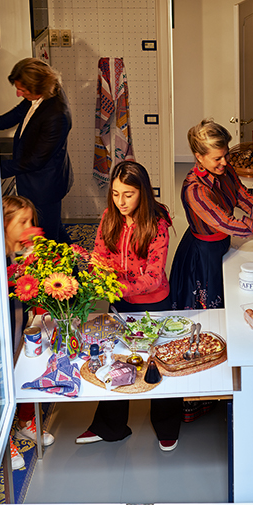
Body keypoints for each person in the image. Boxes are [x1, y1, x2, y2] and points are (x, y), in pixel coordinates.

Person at [75, 161, 183, 452]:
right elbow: (99, 254)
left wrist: (112, 284)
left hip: (154, 304)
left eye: (128, 194)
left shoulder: (157, 223)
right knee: (117, 360)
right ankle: (110, 427)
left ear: (143, 193)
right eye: (115, 193)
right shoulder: (109, 217)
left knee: (157, 362)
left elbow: (153, 276)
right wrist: (97, 270)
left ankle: (167, 425)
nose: (120, 202)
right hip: (120, 303)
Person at [170, 119, 253, 310]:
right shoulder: (195, 190)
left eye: (226, 155)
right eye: (217, 158)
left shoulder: (226, 169)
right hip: (202, 254)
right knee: (209, 310)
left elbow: (243, 197)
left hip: (222, 244)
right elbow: (228, 224)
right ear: (199, 157)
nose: (224, 162)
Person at [2, 196, 55, 468]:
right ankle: (2, 440)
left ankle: (24, 422)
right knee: (0, 381)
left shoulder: (21, 251)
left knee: (25, 367)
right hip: (2, 328)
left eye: (30, 221)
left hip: (21, 322)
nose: (28, 226)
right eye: (21, 222)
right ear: (4, 223)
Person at [0, 58, 73, 244]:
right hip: (39, 182)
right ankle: (77, 271)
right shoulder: (42, 93)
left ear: (39, 87)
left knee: (47, 240)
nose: (18, 94)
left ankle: (68, 272)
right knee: (53, 231)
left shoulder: (57, 115)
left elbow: (33, 161)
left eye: (22, 90)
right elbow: (17, 113)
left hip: (44, 187)